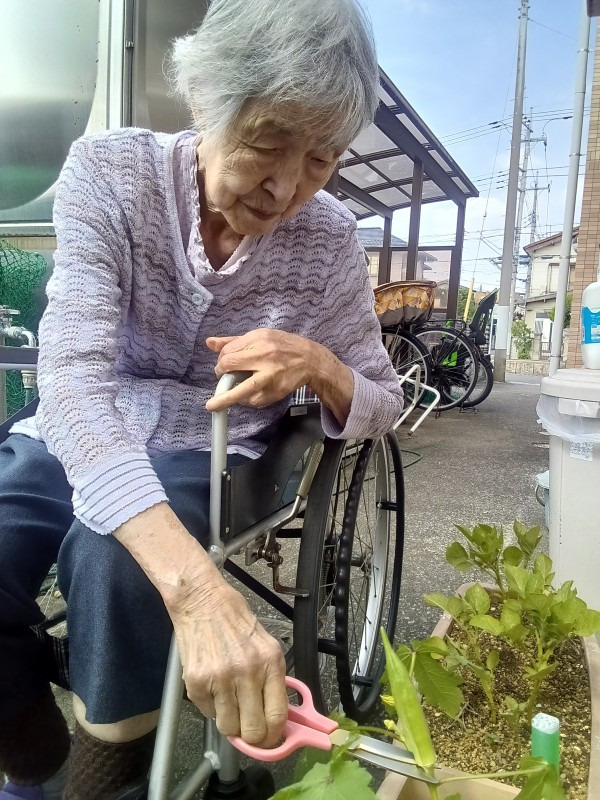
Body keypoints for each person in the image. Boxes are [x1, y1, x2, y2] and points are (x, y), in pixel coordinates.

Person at [0, 0, 403, 797]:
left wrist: (318, 362)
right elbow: (73, 374)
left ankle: (104, 772)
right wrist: (195, 589)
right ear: (205, 100)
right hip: (83, 424)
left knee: (116, 557)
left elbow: (384, 399)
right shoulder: (111, 174)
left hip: (214, 447)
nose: (286, 187)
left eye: (320, 159)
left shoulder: (329, 239)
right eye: (267, 144)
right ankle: (31, 751)